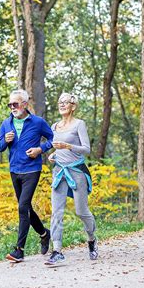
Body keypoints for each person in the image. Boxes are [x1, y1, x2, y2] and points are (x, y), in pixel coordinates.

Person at [0, 89, 54, 263]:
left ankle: (19, 250)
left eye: (15, 104)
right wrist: (5, 140)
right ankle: (44, 234)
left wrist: (40, 149)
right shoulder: (6, 123)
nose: (12, 107)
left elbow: (53, 138)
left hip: (32, 170)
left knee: (22, 207)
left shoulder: (38, 122)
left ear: (25, 104)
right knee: (26, 208)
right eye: (10, 104)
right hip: (15, 170)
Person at [45, 93, 98, 265]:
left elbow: (86, 149)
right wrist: (53, 155)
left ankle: (91, 239)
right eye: (60, 102)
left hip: (77, 172)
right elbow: (57, 148)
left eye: (65, 102)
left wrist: (68, 146)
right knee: (56, 212)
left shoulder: (79, 124)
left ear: (73, 106)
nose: (61, 105)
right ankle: (56, 250)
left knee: (81, 211)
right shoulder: (54, 126)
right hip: (59, 172)